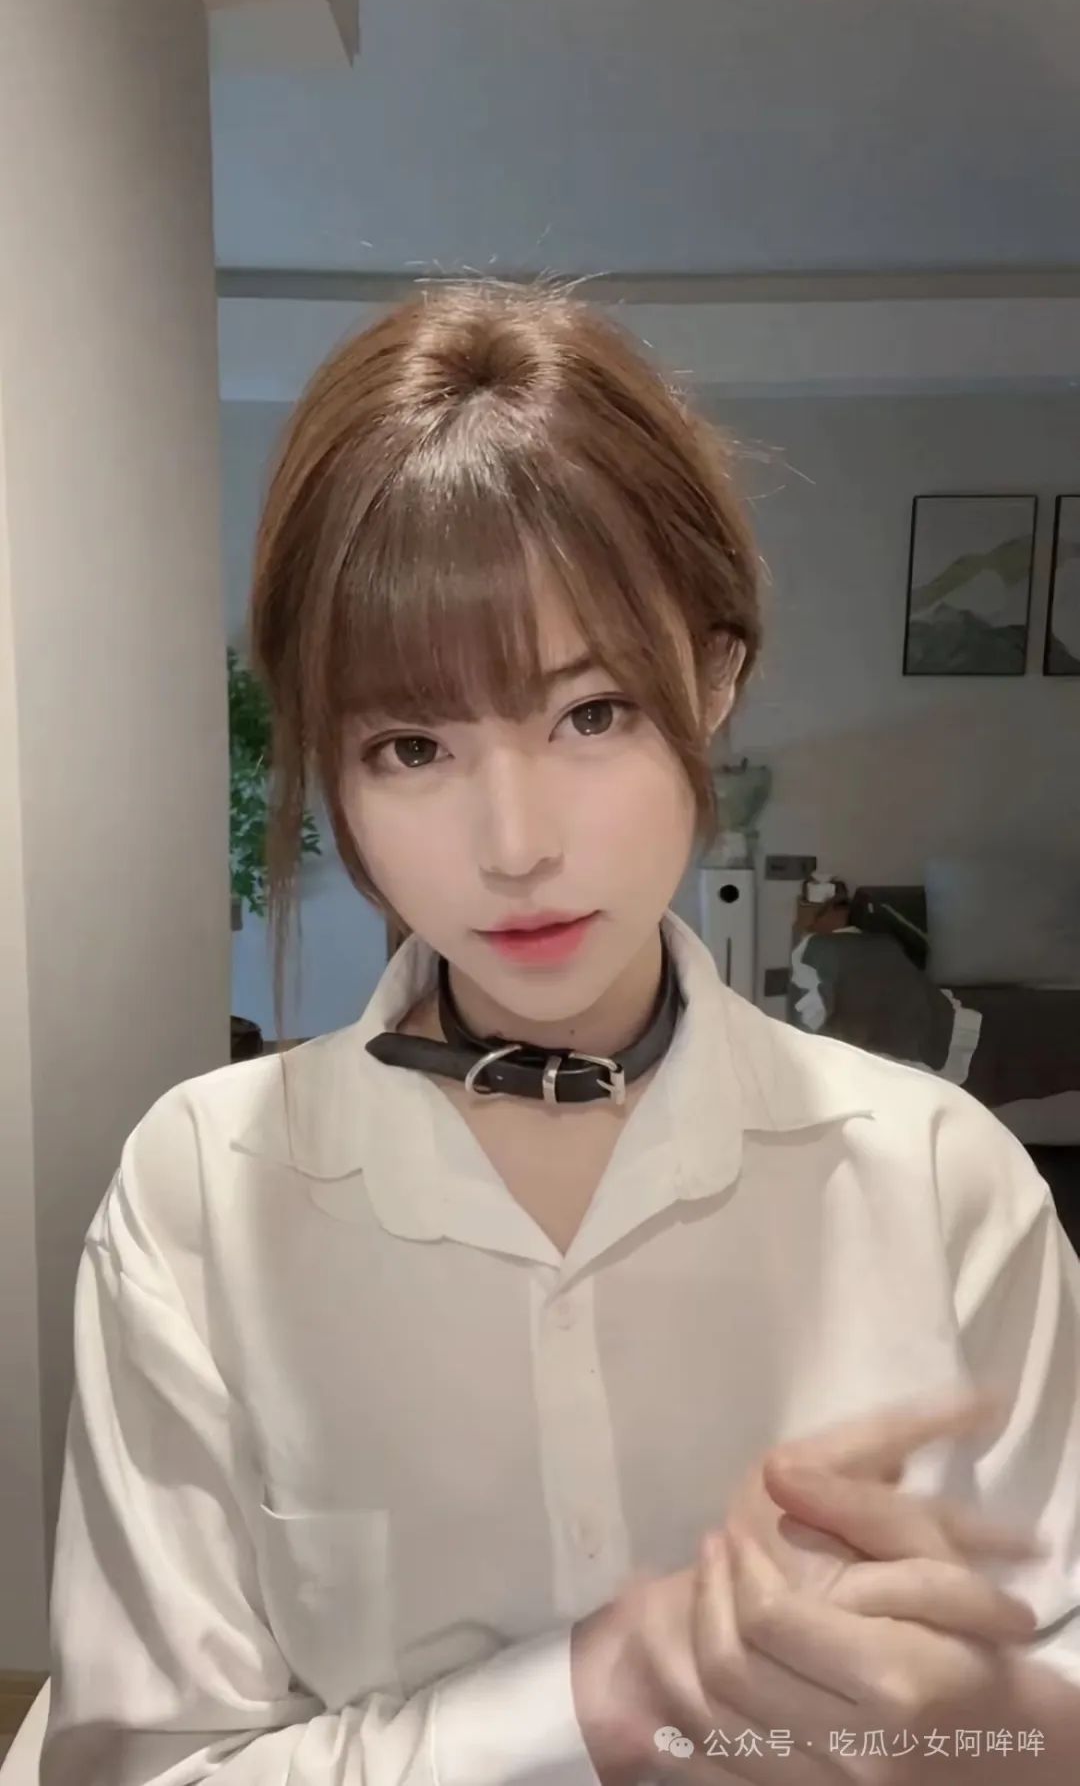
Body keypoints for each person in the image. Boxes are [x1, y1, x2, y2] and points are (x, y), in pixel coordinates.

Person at [40, 282, 1080, 1786]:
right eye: (413, 745)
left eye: (590, 713)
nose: (514, 844)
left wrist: (976, 1722)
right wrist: (597, 1691)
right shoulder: (202, 1194)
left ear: (712, 677)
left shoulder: (936, 1178)